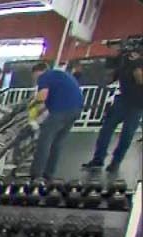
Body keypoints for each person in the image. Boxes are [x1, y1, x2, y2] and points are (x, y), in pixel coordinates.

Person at [84, 45, 142, 173]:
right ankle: (99, 159)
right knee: (106, 130)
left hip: (137, 104)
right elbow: (110, 79)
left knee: (126, 135)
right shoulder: (124, 64)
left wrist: (137, 66)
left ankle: (115, 162)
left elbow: (140, 80)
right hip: (122, 100)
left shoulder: (138, 64)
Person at [30, 61, 85, 180]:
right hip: (76, 110)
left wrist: (32, 111)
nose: (34, 80)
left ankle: (36, 174)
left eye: (33, 76)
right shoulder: (61, 74)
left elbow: (42, 96)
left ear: (37, 72)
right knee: (57, 143)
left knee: (44, 142)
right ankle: (49, 173)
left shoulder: (44, 76)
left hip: (61, 111)